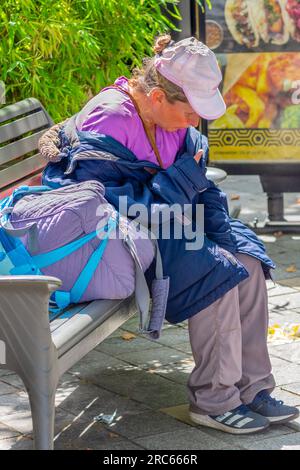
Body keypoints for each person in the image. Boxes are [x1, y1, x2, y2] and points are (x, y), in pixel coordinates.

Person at [40, 35, 299, 434]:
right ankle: (214, 401)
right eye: (191, 111)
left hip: (163, 224)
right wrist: (180, 182)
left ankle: (252, 389)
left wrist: (224, 235)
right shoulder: (110, 119)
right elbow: (103, 204)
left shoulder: (170, 119)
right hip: (110, 239)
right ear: (158, 97)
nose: (196, 121)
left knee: (244, 260)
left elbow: (202, 188)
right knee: (213, 272)